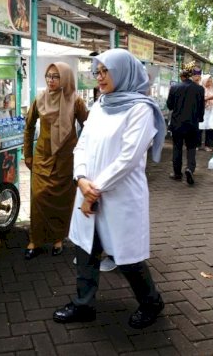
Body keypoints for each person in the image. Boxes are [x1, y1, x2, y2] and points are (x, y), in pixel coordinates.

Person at [52, 48, 167, 329]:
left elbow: (128, 158)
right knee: (85, 251)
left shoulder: (141, 109)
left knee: (128, 258)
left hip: (119, 195)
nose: (99, 78)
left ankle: (151, 301)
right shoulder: (102, 104)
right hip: (88, 190)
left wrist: (95, 188)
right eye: (98, 72)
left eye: (105, 71)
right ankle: (83, 304)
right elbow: (82, 144)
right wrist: (80, 179)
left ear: (123, 72)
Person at [23, 62, 88, 259]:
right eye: (48, 76)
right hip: (42, 157)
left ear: (65, 78)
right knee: (38, 198)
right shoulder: (40, 99)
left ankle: (58, 238)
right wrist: (27, 153)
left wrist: (83, 151)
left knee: (62, 200)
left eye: (55, 76)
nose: (50, 80)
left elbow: (89, 126)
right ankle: (35, 239)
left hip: (66, 159)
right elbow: (29, 127)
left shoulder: (75, 101)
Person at [166, 61, 205, 184]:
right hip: (193, 124)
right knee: (191, 148)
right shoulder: (199, 89)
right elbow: (201, 107)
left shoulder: (174, 87)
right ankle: (190, 169)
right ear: (191, 75)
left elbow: (170, 106)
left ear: (182, 76)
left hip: (177, 124)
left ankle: (177, 173)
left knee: (177, 148)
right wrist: (200, 119)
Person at [198, 75, 213, 152]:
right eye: (208, 81)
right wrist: (209, 98)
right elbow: (198, 99)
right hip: (202, 109)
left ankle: (208, 145)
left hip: (212, 109)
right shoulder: (200, 89)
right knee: (199, 127)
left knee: (211, 127)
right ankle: (197, 144)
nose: (209, 83)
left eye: (210, 81)